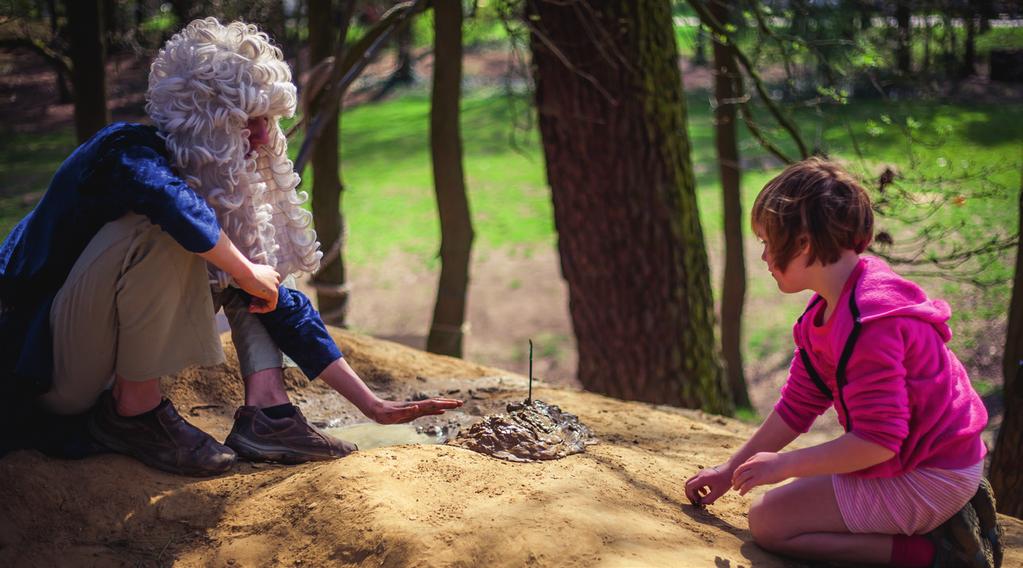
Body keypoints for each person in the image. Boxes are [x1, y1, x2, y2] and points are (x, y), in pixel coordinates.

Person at [0, 18, 461, 476]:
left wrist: (372, 405)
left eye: (268, 121)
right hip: (44, 368)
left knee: (252, 261)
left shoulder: (213, 194)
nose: (264, 137)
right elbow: (166, 201)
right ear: (206, 117)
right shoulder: (124, 151)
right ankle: (135, 413)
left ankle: (269, 416)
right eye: (250, 121)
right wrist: (242, 271)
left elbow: (279, 301)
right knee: (173, 234)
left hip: (93, 367)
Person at [683, 158, 1000, 567]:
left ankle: (937, 553)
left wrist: (784, 464)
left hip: (931, 474)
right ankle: (938, 523)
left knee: (769, 522)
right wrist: (729, 470)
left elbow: (878, 442)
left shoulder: (869, 324)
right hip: (935, 461)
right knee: (789, 494)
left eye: (766, 241)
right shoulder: (836, 303)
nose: (763, 256)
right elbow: (796, 407)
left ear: (802, 244)